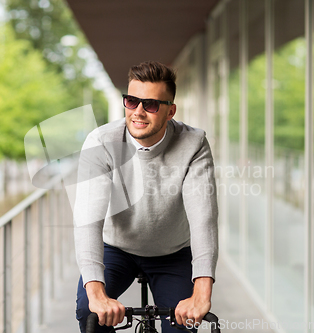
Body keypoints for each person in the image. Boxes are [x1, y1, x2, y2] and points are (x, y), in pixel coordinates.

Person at [74, 61, 218, 333]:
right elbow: (87, 220)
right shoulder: (102, 141)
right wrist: (96, 293)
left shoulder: (194, 143)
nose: (138, 112)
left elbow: (204, 219)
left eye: (151, 104)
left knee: (183, 326)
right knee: (89, 312)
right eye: (131, 101)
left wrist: (202, 289)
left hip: (173, 252)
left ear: (170, 111)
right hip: (116, 249)